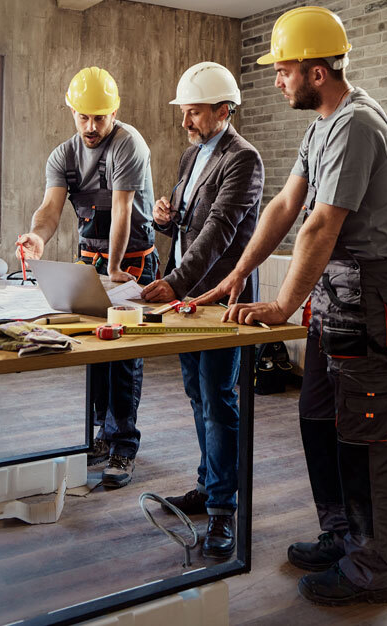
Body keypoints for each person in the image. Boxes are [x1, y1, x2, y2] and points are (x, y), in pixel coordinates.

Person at [196, 7, 387, 605]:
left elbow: (322, 224)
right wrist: (238, 277)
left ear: (317, 72)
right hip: (333, 297)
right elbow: (284, 208)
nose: (276, 80)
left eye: (285, 69)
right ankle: (341, 535)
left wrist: (282, 304)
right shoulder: (322, 124)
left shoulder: (356, 125)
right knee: (319, 419)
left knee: (366, 437)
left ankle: (372, 568)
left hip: (368, 297)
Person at [140, 61, 264, 558]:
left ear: (223, 110)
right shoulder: (194, 156)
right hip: (189, 298)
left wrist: (171, 283)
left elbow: (219, 233)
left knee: (218, 401)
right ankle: (209, 485)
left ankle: (221, 512)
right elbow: (189, 223)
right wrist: (163, 216)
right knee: (198, 395)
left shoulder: (243, 159)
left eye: (194, 112)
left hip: (219, 300)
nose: (186, 122)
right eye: (184, 112)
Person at [17, 66, 157, 488]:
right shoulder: (63, 156)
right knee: (96, 350)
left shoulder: (128, 144)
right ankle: (102, 434)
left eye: (100, 117)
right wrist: (37, 238)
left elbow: (122, 210)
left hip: (131, 260)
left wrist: (114, 269)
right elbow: (50, 208)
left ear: (115, 111)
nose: (92, 127)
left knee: (123, 356)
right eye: (84, 117)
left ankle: (123, 446)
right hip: (89, 260)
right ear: (73, 112)